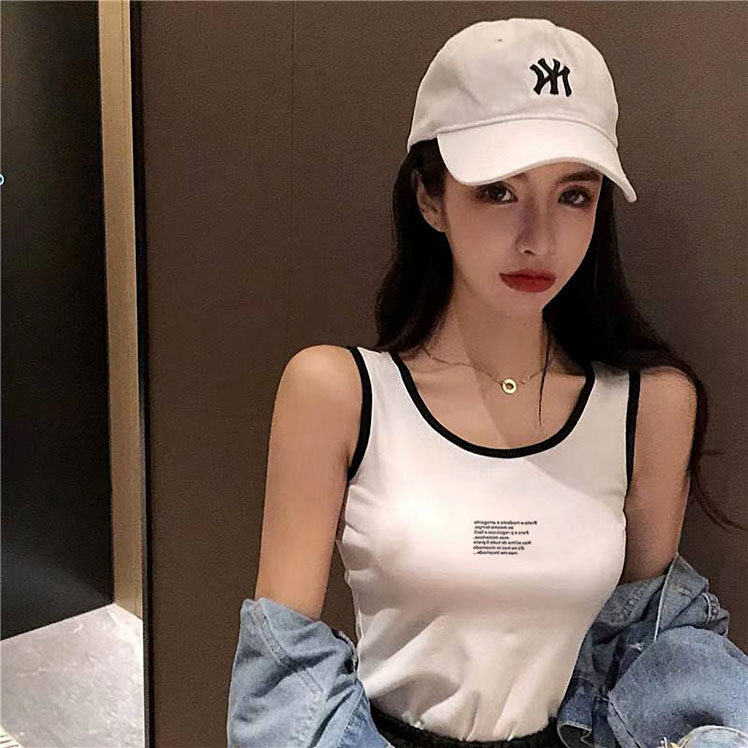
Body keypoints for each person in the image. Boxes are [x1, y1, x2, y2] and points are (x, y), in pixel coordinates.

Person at [251, 17, 746, 748]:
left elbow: (647, 650)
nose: (539, 238)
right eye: (498, 192)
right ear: (430, 198)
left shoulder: (649, 408)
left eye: (573, 195)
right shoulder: (338, 394)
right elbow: (283, 672)